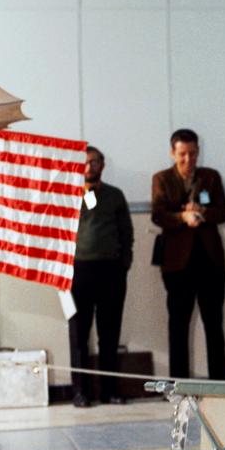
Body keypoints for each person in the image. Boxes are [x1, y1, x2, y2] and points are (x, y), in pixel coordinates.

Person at [151, 129, 225, 380]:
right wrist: (182, 217)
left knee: (214, 325)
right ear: (173, 153)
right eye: (183, 154)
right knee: (178, 326)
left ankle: (219, 382)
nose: (188, 159)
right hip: (177, 265)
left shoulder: (211, 177)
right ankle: (179, 383)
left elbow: (223, 212)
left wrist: (202, 212)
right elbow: (158, 215)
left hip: (210, 262)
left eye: (193, 153)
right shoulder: (162, 179)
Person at [68, 145, 133, 407]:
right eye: (84, 162)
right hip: (78, 272)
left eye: (94, 162)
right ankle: (80, 391)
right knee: (79, 335)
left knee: (109, 335)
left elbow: (126, 233)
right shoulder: (67, 196)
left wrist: (123, 263)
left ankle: (109, 390)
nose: (89, 167)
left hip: (110, 271)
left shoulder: (114, 196)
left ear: (102, 165)